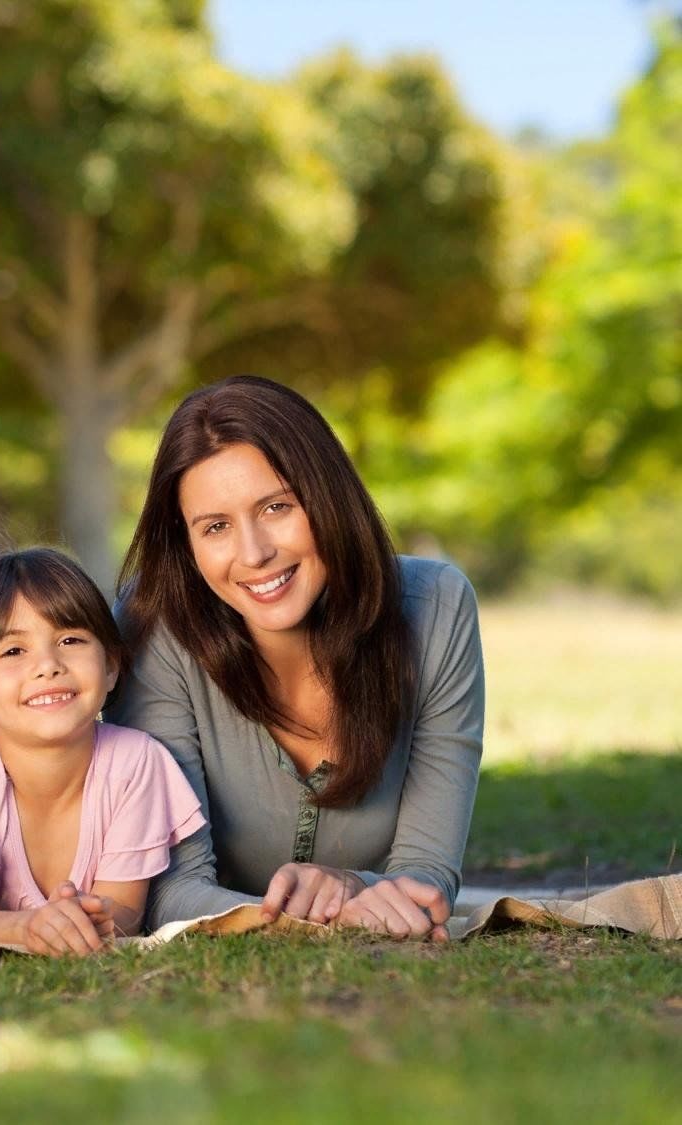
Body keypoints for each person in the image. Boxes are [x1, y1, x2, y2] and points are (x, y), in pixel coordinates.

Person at [110, 375, 484, 941]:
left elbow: (426, 872)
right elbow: (165, 887)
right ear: (186, 545)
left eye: (277, 506)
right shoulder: (153, 624)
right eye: (215, 527)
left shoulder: (436, 608)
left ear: (327, 496)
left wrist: (355, 888)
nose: (255, 553)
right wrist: (302, 919)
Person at [0, 548, 206, 957]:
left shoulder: (136, 763)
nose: (48, 665)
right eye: (14, 651)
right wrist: (31, 928)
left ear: (110, 667)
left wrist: (96, 917)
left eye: (70, 640)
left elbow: (125, 913)